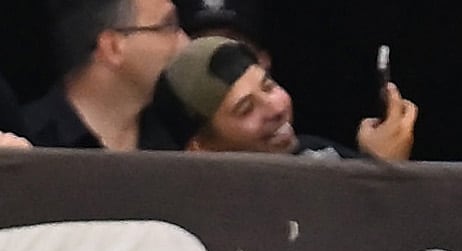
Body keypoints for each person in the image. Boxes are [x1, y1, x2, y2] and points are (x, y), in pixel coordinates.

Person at [154, 36, 418, 160]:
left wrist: (373, 165)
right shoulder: (199, 214)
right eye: (246, 109)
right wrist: (382, 173)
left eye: (268, 86)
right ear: (201, 147)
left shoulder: (317, 155)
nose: (276, 108)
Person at [23, 0, 187, 151]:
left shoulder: (177, 135)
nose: (184, 41)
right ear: (113, 47)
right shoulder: (27, 143)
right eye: (168, 26)